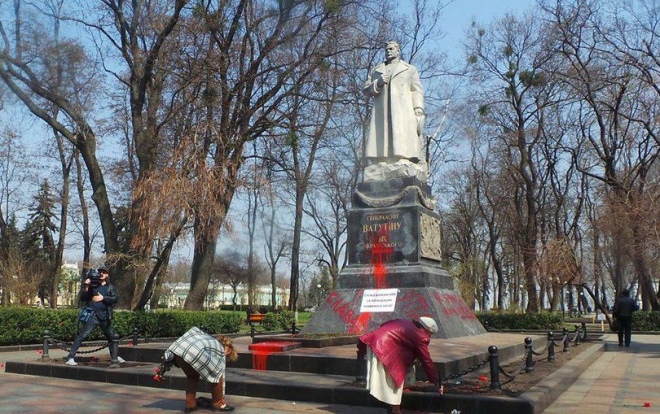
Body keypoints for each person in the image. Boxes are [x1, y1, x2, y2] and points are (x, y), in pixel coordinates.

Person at [363, 41, 426, 181]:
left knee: (401, 133)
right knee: (382, 134)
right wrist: (377, 83)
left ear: (398, 51)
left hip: (402, 109)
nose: (388, 51)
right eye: (386, 49)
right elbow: (366, 90)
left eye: (391, 49)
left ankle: (402, 157)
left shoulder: (409, 69)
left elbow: (417, 90)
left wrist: (418, 109)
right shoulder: (377, 70)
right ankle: (381, 159)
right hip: (382, 110)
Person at [357, 317, 440, 414]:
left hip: (375, 342)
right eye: (431, 334)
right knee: (395, 377)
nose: (430, 337)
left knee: (393, 378)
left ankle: (394, 407)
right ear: (427, 330)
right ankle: (395, 409)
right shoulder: (421, 336)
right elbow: (427, 360)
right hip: (384, 347)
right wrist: (436, 381)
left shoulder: (406, 322)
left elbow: (385, 325)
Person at [163, 327, 238, 412]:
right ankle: (219, 404)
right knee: (218, 374)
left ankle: (190, 405)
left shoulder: (208, 340)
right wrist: (222, 399)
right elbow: (221, 376)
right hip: (192, 351)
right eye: (228, 355)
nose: (227, 357)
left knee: (192, 376)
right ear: (229, 350)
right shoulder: (220, 351)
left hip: (177, 350)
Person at [66, 266, 124, 366]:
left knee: (111, 337)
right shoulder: (93, 286)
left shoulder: (110, 287)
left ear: (107, 275)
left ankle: (115, 356)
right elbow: (83, 298)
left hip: (105, 315)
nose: (101, 274)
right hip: (93, 315)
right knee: (82, 335)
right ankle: (70, 357)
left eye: (104, 272)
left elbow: (115, 299)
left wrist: (103, 298)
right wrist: (86, 286)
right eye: (100, 272)